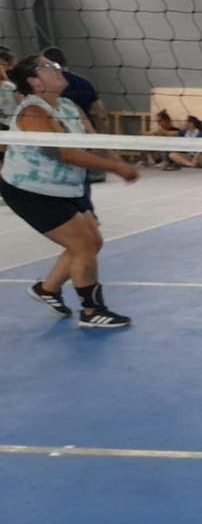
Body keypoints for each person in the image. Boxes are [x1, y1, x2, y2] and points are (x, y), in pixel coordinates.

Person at [2, 53, 138, 328]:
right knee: (83, 245)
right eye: (48, 67)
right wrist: (115, 168)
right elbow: (65, 153)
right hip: (30, 191)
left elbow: (93, 142)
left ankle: (47, 290)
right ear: (35, 81)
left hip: (64, 188)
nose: (57, 69)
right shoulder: (33, 111)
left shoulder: (67, 105)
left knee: (92, 242)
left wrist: (119, 162)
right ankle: (91, 311)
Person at [42, 46, 107, 132]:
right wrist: (104, 136)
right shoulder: (84, 83)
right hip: (84, 131)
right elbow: (102, 115)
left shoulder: (46, 86)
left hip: (58, 131)